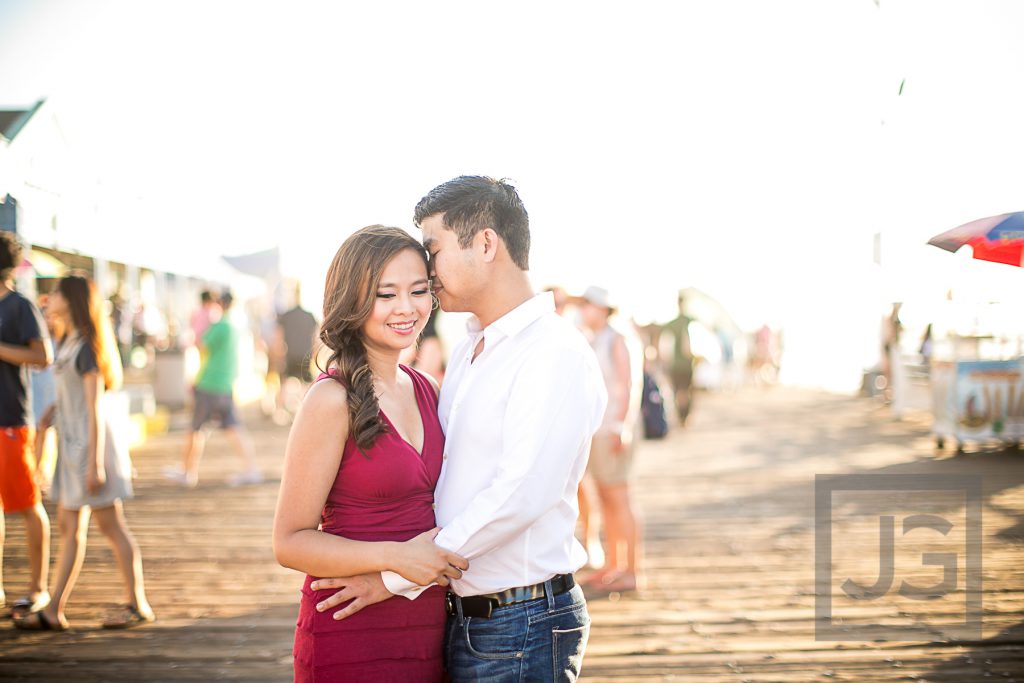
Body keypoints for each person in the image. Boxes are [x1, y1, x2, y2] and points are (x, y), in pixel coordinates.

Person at [311, 176, 607, 682]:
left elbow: (521, 495)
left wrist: (393, 576)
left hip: (522, 621)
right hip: (464, 617)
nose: (427, 270)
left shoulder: (552, 353)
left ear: (486, 243)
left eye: (434, 249)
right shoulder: (473, 349)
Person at [273, 225, 469, 682]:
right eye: (386, 294)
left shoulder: (428, 389)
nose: (407, 307)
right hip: (351, 628)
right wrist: (396, 559)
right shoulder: (330, 400)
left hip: (425, 627)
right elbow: (289, 541)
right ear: (353, 300)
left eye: (419, 290)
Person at [15, 273, 154, 631]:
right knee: (71, 525)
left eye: (58, 292)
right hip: (75, 445)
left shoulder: (86, 348)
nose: (51, 296)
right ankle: (54, 609)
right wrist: (51, 415)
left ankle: (136, 604)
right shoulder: (69, 341)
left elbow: (94, 408)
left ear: (72, 299)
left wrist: (94, 464)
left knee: (110, 526)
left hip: (91, 450)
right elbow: (73, 398)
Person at [576, 286, 644, 595]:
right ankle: (613, 565)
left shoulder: (618, 338)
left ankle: (631, 570)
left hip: (613, 430)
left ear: (604, 309)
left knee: (620, 497)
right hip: (598, 430)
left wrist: (622, 425)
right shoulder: (593, 337)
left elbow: (631, 384)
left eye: (589, 305)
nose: (584, 310)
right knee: (605, 497)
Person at [0, 231, 52, 621]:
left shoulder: (20, 306)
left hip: (11, 421)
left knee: (29, 505)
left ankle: (38, 588)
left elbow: (42, 356)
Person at [165, 291, 260, 487]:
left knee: (195, 429)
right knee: (234, 427)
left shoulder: (221, 325)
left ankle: (187, 471)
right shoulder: (236, 326)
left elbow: (200, 344)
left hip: (209, 383)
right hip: (225, 384)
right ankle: (251, 469)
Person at [661, 292, 695, 425]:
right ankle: (684, 416)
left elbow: (664, 342)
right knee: (685, 391)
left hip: (676, 363)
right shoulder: (689, 320)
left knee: (679, 391)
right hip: (686, 363)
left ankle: (682, 415)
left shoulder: (672, 324)